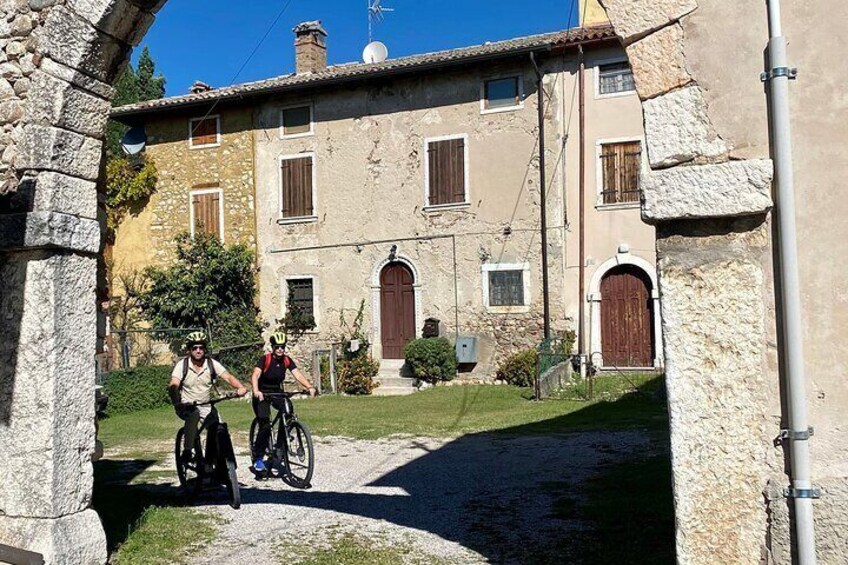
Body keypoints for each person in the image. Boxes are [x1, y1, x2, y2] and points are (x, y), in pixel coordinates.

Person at [169, 331, 247, 463]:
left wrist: (240, 387)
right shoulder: (182, 365)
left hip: (206, 405)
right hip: (187, 406)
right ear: (189, 350)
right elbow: (174, 385)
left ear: (205, 349)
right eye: (194, 348)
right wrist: (177, 403)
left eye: (201, 347)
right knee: (194, 415)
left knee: (219, 429)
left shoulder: (211, 364)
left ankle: (216, 464)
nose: (198, 351)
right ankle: (188, 450)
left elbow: (227, 376)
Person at [250, 331, 317, 472]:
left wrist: (309, 387)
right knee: (265, 425)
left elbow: (297, 374)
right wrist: (256, 391)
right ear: (272, 347)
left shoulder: (287, 360)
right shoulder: (265, 359)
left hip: (277, 392)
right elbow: (255, 375)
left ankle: (280, 446)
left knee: (288, 411)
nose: (280, 349)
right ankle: (258, 457)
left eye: (282, 346)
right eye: (277, 347)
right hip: (262, 393)